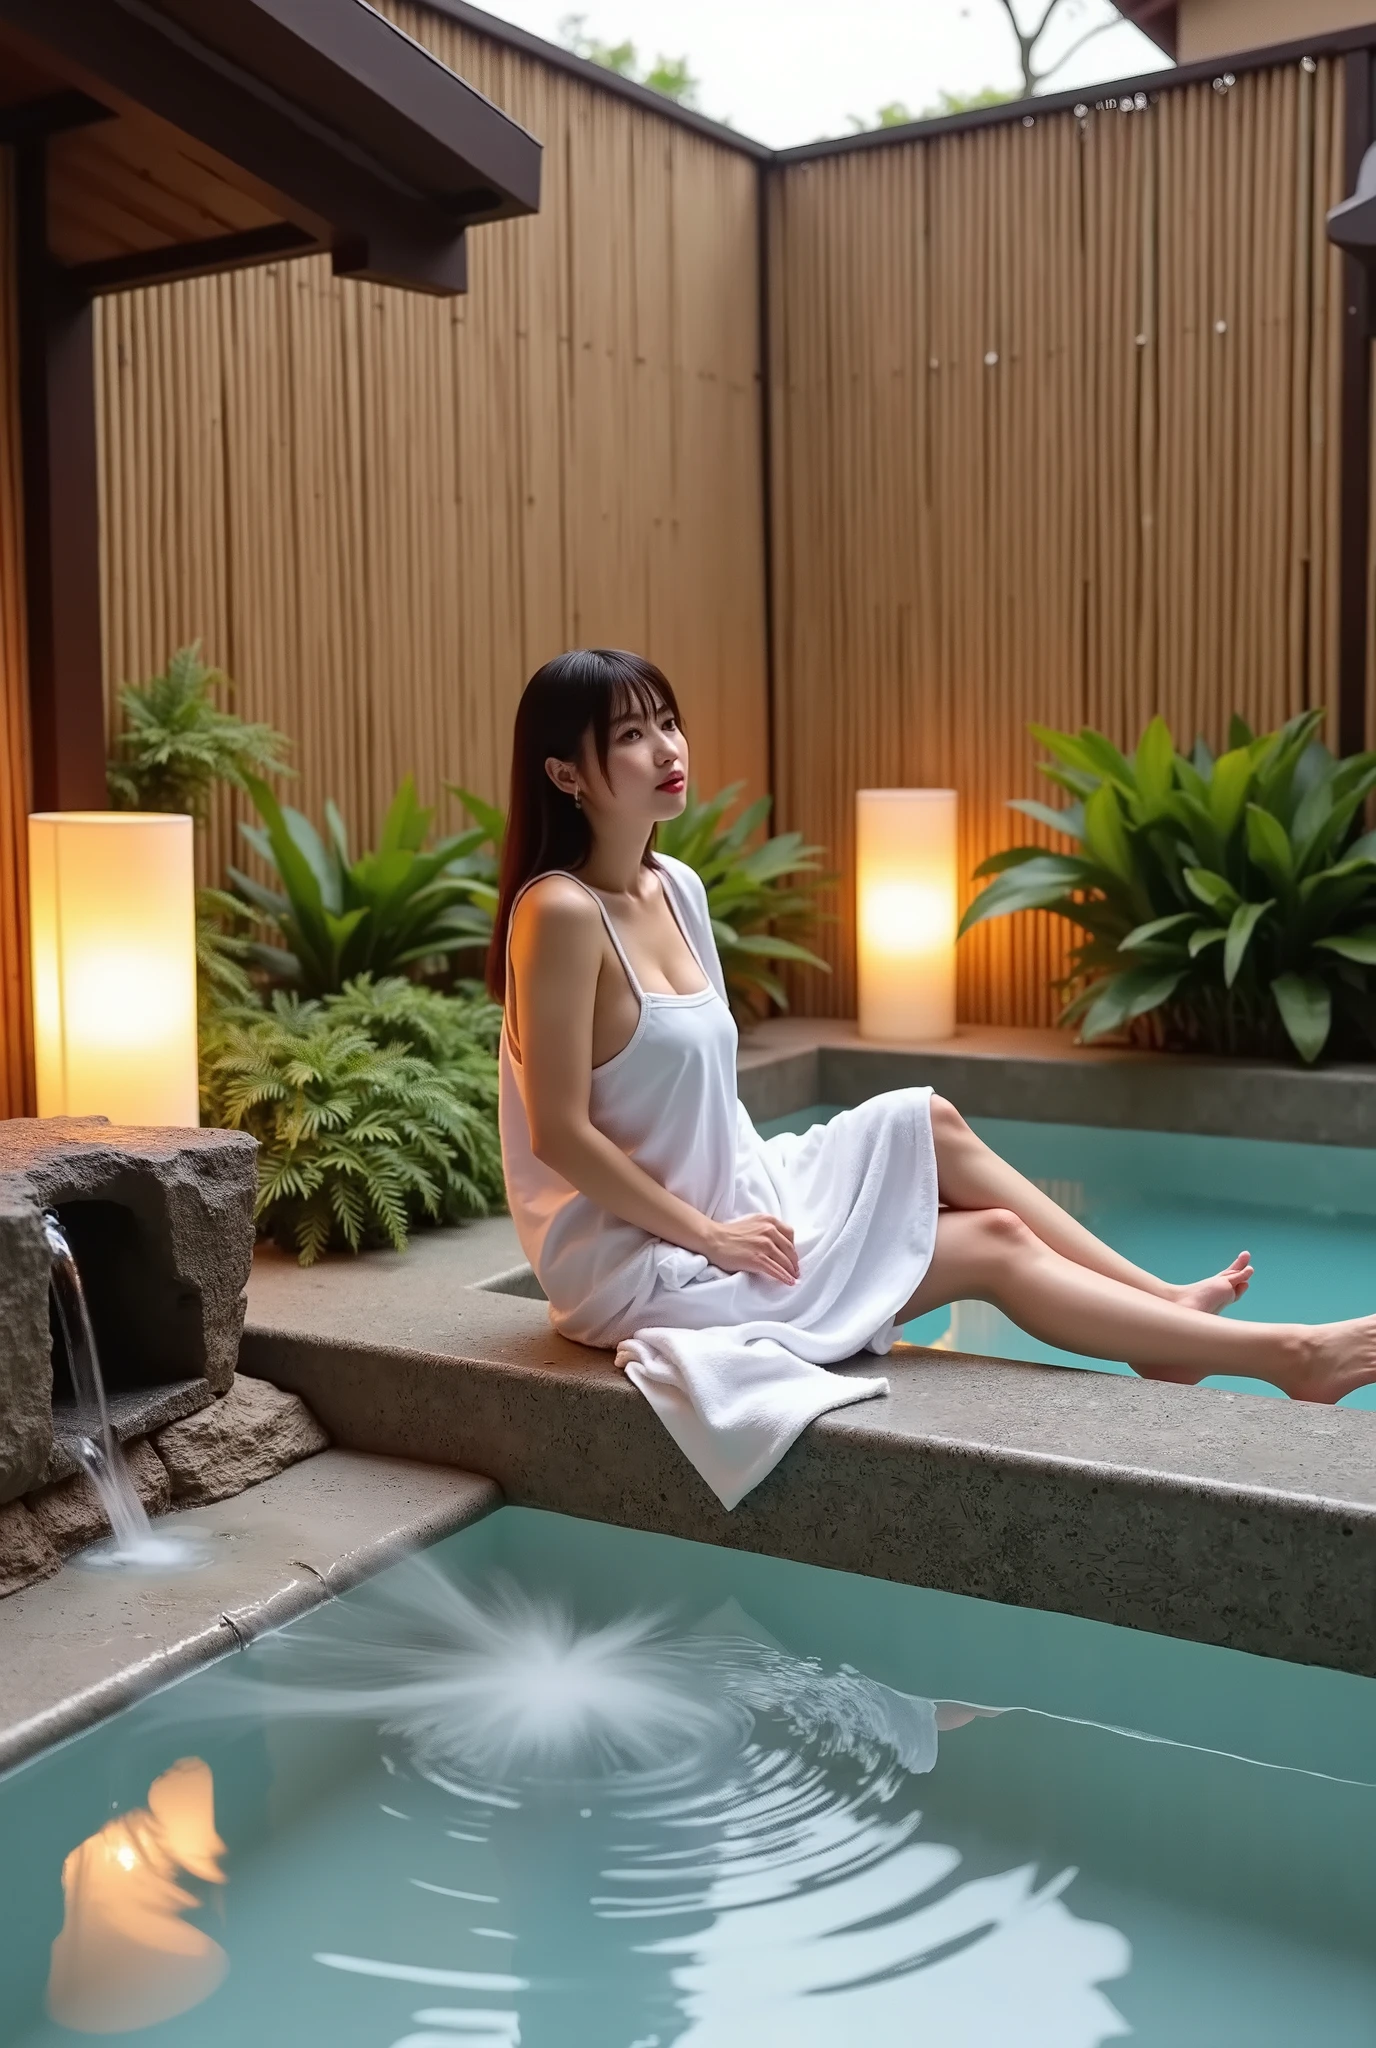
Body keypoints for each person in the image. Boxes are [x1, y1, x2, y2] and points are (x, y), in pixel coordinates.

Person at [491, 648, 1376, 1407]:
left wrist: (739, 1209)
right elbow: (562, 1134)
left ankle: (1163, 1311)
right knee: (991, 1242)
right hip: (641, 1260)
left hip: (731, 1191)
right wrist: (713, 1236)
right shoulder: (561, 915)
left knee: (926, 1116)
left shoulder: (676, 885)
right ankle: (1288, 1357)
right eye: (630, 736)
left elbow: (706, 1108)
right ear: (566, 773)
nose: (666, 749)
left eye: (667, 723)